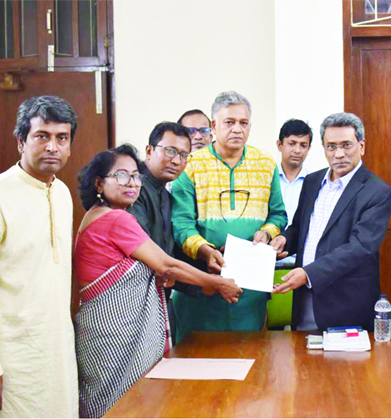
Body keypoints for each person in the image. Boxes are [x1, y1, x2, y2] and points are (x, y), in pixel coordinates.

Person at [74, 144, 241, 417]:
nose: (132, 183)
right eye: (121, 175)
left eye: (135, 176)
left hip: (100, 329)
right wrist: (217, 283)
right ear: (98, 183)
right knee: (125, 406)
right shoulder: (116, 219)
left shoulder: (94, 215)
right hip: (117, 333)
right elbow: (166, 264)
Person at [0, 96, 79, 417]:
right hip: (6, 362)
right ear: (21, 141)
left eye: (62, 138)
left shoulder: (62, 194)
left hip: (55, 357)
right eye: (42, 136)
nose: (52, 147)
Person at [171, 91, 287, 336]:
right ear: (214, 126)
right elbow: (181, 224)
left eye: (243, 123)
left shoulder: (266, 164)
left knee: (250, 355)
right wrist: (206, 251)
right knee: (195, 356)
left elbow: (278, 216)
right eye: (229, 122)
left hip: (250, 287)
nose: (237, 129)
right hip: (202, 282)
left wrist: (266, 234)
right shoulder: (190, 165)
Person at [269, 112, 391, 331]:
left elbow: (360, 247)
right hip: (304, 298)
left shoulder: (377, 191)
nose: (339, 154)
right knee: (302, 352)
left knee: (341, 355)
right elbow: (299, 227)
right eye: (331, 146)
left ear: (362, 146)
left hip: (346, 303)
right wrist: (284, 240)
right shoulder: (312, 181)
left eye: (346, 145)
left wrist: (308, 273)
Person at [127, 122, 204, 341]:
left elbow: (171, 252)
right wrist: (207, 281)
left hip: (156, 301)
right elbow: (150, 257)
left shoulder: (166, 196)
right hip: (130, 304)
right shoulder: (133, 190)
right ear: (149, 151)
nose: (177, 161)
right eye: (170, 151)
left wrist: (210, 259)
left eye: (184, 155)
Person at [276, 118, 313, 267]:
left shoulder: (315, 184)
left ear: (309, 148)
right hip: (266, 259)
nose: (297, 150)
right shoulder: (266, 181)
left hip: (301, 264)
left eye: (303, 145)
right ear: (280, 145)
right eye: (292, 144)